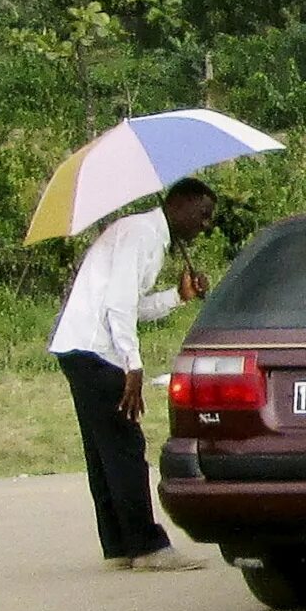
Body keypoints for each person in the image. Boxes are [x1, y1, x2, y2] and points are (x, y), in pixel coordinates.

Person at [50, 177, 217, 569]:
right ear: (179, 204)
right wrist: (134, 367)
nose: (205, 225)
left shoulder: (145, 237)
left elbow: (135, 306)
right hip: (97, 350)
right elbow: (119, 307)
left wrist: (179, 296)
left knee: (104, 450)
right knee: (125, 448)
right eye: (203, 214)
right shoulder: (142, 234)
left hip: (80, 346)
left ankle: (118, 545)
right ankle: (146, 546)